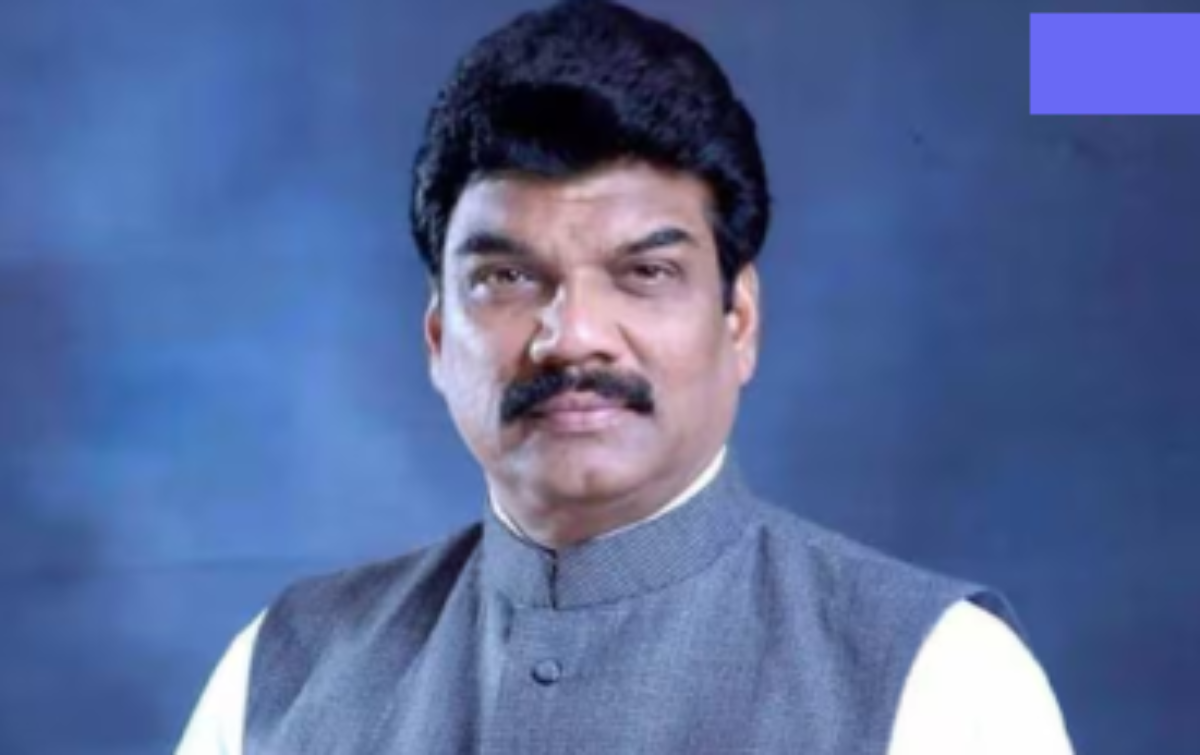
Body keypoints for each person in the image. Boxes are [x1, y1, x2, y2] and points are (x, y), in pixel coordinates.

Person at [178, 1, 1074, 753]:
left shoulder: (941, 677)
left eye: (645, 272)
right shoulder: (283, 674)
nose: (572, 338)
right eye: (507, 277)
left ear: (739, 320)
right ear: (438, 333)